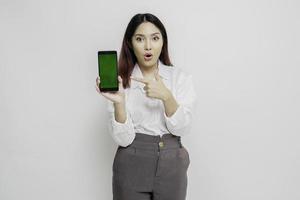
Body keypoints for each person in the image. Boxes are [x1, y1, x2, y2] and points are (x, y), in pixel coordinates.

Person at [95, 13, 197, 200]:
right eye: (140, 39)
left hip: (172, 163)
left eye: (155, 38)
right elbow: (124, 140)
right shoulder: (121, 82)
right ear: (130, 43)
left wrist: (166, 96)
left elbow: (182, 128)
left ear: (163, 42)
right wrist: (119, 103)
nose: (148, 46)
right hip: (131, 163)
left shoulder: (180, 78)